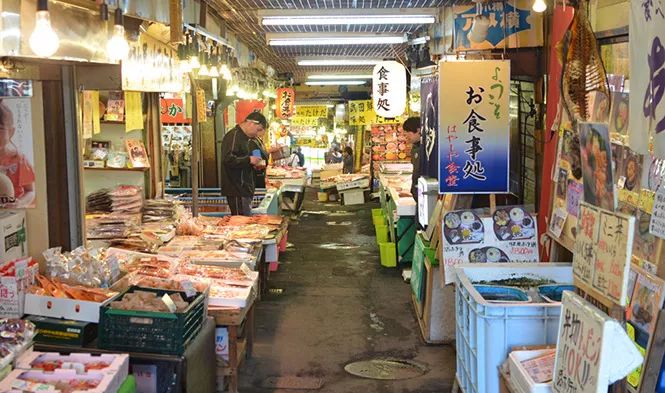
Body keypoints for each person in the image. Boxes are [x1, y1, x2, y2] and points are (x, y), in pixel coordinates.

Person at [220, 112, 267, 216]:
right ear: (251, 123)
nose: (257, 134)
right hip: (237, 189)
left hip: (244, 189)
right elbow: (228, 159)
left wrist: (254, 165)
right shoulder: (233, 136)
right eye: (258, 130)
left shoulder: (246, 138)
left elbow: (240, 159)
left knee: (244, 222)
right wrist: (249, 160)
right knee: (241, 223)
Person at [0, 99, 35, 208]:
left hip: (13, 215)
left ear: (11, 131)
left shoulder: (19, 159)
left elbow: (30, 191)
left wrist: (20, 203)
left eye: (0, 129)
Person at [403, 117, 421, 202]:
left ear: (418, 130)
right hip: (417, 193)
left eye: (408, 132)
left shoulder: (428, 147)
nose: (406, 136)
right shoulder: (415, 147)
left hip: (424, 193)